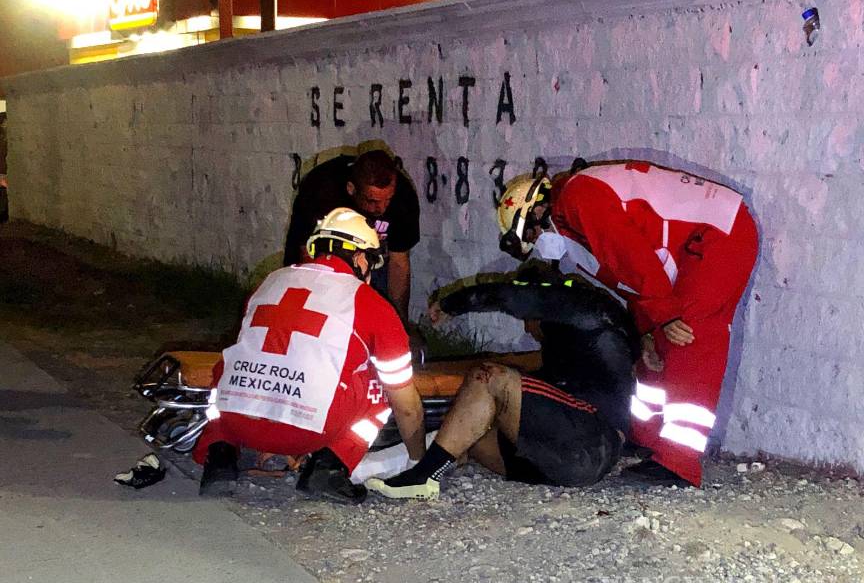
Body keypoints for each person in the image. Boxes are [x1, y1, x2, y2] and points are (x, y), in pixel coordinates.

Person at [495, 160, 759, 486]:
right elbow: (628, 280)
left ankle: (679, 464)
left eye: (531, 234)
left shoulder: (578, 197)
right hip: (695, 239)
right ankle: (647, 441)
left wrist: (662, 315)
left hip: (720, 232)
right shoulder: (572, 231)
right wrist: (647, 330)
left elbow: (633, 258)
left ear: (537, 210)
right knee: (656, 352)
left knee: (690, 337)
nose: (537, 243)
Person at [195, 207, 426, 503]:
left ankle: (220, 454)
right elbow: (406, 404)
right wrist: (418, 461)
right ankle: (330, 466)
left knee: (230, 364)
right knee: (380, 384)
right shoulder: (370, 302)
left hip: (237, 421)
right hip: (307, 432)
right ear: (359, 258)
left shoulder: (271, 282)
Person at [366, 273, 640, 499]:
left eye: (527, 320)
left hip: (593, 442)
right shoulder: (579, 339)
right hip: (559, 459)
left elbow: (512, 296)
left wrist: (454, 303)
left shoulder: (581, 307)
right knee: (465, 428)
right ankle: (384, 468)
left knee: (488, 377)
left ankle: (421, 475)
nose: (526, 329)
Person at [283, 149, 420, 325]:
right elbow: (306, 255)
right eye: (372, 201)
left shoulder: (403, 197)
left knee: (377, 312)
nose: (381, 209)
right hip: (321, 260)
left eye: (388, 199)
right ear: (351, 189)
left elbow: (399, 263)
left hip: (370, 261)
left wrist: (399, 322)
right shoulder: (320, 191)